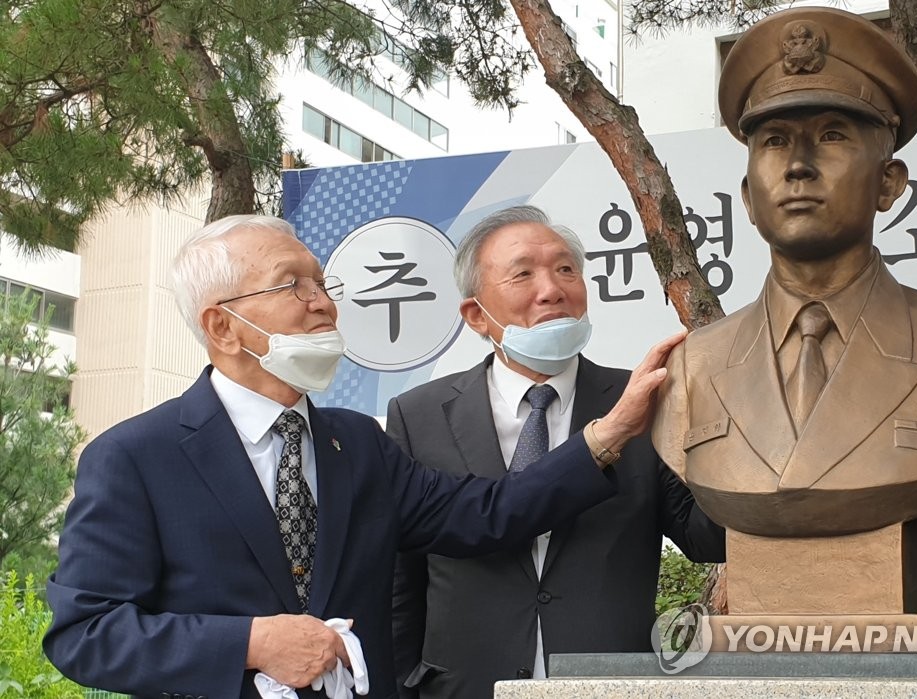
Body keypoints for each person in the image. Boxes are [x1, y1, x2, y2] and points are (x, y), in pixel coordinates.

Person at [42, 214, 681, 699]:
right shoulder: (134, 458)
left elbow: (489, 511)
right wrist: (249, 643)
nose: (322, 301)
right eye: (292, 285)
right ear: (223, 328)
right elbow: (85, 633)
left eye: (322, 281)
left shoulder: (358, 443)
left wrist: (605, 436)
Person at [651, 7, 917, 559]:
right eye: (774, 141)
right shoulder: (691, 368)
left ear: (889, 183)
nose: (798, 166)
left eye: (831, 135)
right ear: (749, 197)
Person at [388, 206, 725, 698]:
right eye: (522, 274)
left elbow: (708, 539)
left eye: (566, 269)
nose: (553, 289)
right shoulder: (419, 415)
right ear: (476, 315)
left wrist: (728, 429)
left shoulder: (645, 401)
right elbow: (401, 582)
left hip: (611, 686)